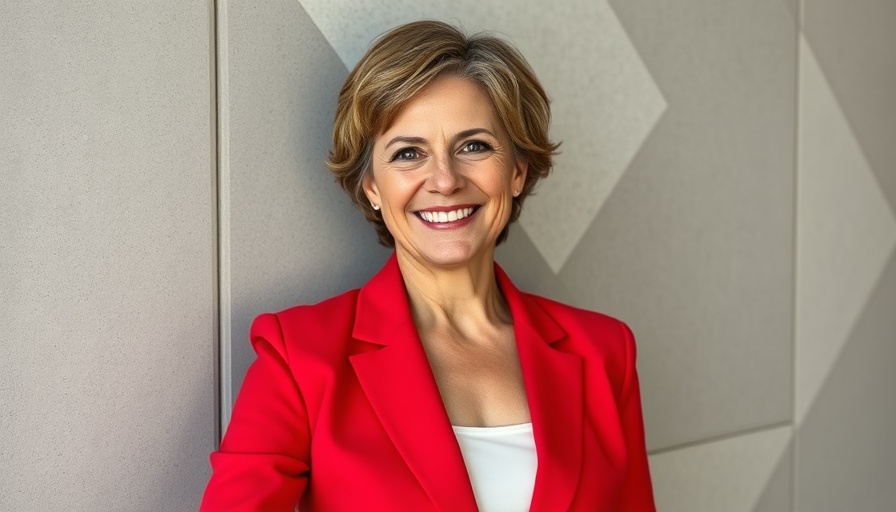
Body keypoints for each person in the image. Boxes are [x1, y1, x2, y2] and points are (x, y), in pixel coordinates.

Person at [200, 20, 655, 512]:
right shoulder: (300, 358)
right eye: (408, 153)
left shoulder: (606, 354)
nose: (444, 179)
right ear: (372, 187)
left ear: (517, 171)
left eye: (473, 146)